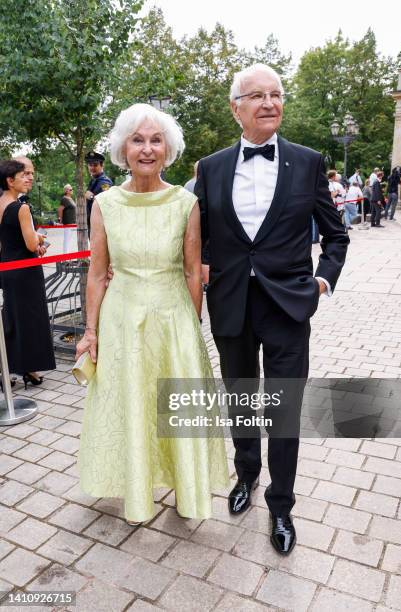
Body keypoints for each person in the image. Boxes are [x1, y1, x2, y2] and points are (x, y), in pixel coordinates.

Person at [195, 63, 349, 555]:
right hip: (232, 305)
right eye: (256, 96)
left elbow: (336, 232)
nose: (268, 103)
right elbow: (195, 237)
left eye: (276, 94)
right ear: (235, 107)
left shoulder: (307, 162)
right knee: (241, 401)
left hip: (288, 308)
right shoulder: (211, 167)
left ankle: (281, 505)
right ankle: (246, 477)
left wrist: (322, 278)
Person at [76, 103, 229, 523]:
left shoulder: (185, 203)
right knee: (132, 402)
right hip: (122, 319)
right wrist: (91, 331)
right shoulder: (105, 203)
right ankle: (137, 493)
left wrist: (192, 327)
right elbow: (97, 274)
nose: (147, 148)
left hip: (173, 318)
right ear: (123, 148)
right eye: (138, 140)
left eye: (155, 140)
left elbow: (192, 271)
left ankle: (187, 489)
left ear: (168, 149)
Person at [0, 160, 56, 388]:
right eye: (24, 175)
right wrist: (40, 238)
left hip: (7, 270)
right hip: (25, 272)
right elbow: (32, 243)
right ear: (10, 181)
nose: (29, 179)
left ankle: (7, 371)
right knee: (31, 321)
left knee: (11, 320)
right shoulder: (21, 208)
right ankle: (30, 369)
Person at [84, 151, 113, 238]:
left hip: (101, 224)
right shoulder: (94, 180)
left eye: (95, 165)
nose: (92, 167)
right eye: (90, 165)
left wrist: (92, 197)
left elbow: (107, 202)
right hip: (93, 222)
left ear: (102, 165)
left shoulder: (105, 182)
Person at [57, 184, 77, 253]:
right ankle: (66, 256)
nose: (72, 191)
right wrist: (60, 219)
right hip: (68, 222)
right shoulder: (64, 199)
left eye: (72, 189)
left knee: (70, 239)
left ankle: (68, 254)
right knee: (67, 239)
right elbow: (60, 209)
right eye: (70, 189)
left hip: (73, 222)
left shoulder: (71, 199)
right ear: (66, 191)